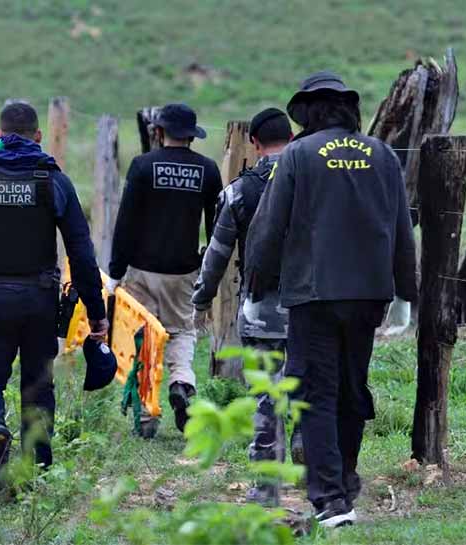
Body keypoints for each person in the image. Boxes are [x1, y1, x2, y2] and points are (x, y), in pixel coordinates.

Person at [246, 71, 417, 528]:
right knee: (351, 387)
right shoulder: (382, 155)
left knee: (316, 393)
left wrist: (257, 277)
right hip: (368, 294)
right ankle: (346, 479)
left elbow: (268, 223)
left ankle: (331, 501)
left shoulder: (300, 154)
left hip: (314, 293)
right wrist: (407, 288)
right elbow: (402, 226)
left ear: (310, 112)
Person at [0, 102, 108, 484]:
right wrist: (97, 313)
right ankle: (37, 472)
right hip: (40, 300)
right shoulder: (53, 179)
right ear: (38, 136)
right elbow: (81, 252)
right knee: (38, 386)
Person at [191, 107, 301, 506]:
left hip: (261, 312)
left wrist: (201, 301)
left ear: (253, 144)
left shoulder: (239, 191)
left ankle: (267, 488)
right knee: (313, 387)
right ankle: (316, 466)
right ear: (291, 138)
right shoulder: (314, 183)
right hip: (312, 309)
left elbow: (217, 256)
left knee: (267, 396)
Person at [107, 103, 222, 437]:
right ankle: (182, 382)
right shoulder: (208, 170)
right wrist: (205, 261)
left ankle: (146, 418)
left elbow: (126, 222)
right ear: (192, 136)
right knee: (182, 331)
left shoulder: (143, 166)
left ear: (159, 131)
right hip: (184, 270)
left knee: (145, 337)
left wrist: (115, 273)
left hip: (142, 269)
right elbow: (217, 225)